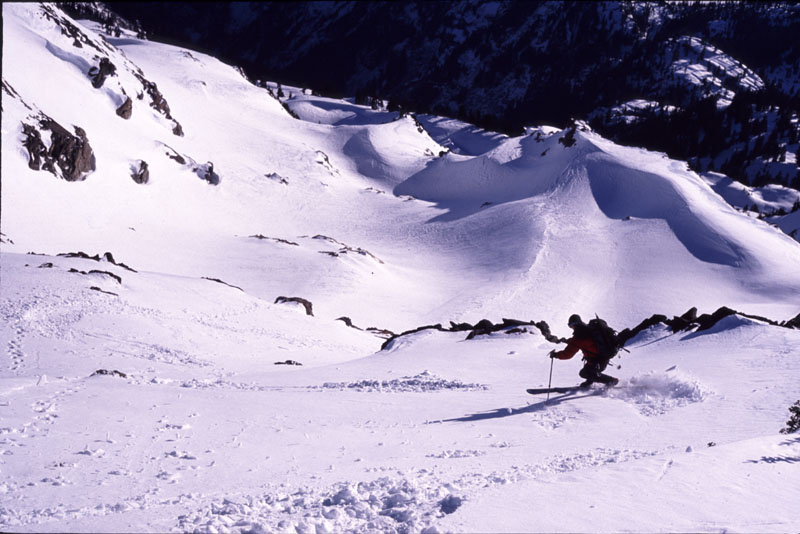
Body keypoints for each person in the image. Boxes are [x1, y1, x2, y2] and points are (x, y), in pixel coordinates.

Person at [550, 314, 619, 388]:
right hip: (601, 357)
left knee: (585, 373)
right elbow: (586, 343)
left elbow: (568, 354)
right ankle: (590, 381)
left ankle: (612, 381)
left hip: (598, 361)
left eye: (570, 325)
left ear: (574, 325)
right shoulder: (588, 329)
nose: (571, 327)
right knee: (586, 371)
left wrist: (555, 355)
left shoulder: (579, 337)